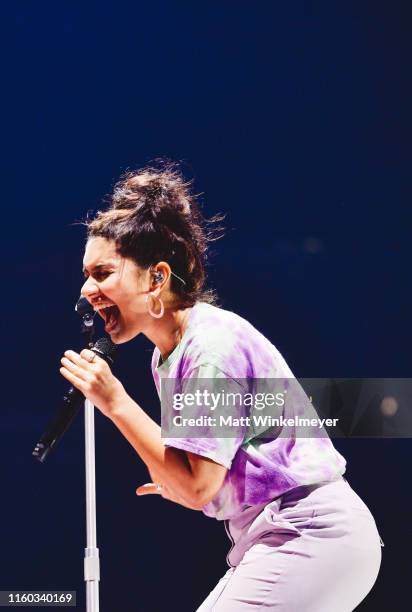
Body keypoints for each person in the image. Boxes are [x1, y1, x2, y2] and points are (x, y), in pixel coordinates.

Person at [60, 162, 383, 611]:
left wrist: (114, 400)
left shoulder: (211, 348)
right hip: (283, 536)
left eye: (102, 273)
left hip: (308, 536)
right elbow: (199, 480)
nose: (87, 290)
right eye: (87, 274)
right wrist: (181, 475)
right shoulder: (169, 353)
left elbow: (197, 488)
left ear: (156, 277)